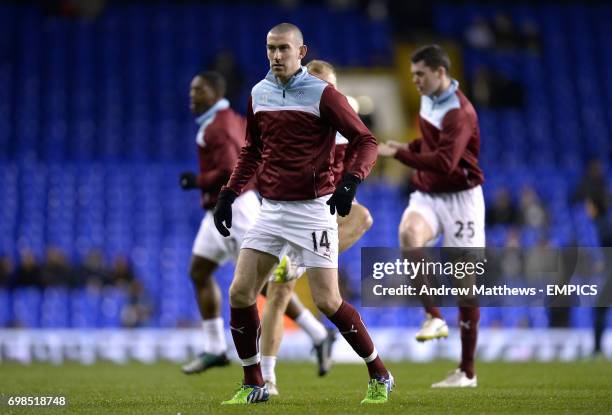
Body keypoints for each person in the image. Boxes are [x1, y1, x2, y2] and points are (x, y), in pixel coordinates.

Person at [213, 23, 393, 404]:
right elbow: (252, 151)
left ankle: (379, 373)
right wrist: (228, 193)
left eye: (283, 49)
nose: (276, 55)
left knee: (328, 302)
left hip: (313, 211)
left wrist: (350, 182)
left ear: (301, 51)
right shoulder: (258, 93)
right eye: (270, 48)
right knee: (241, 291)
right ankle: (254, 383)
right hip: (271, 209)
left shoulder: (323, 94)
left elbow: (366, 140)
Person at [179, 70, 335, 375]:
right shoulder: (226, 120)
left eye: (198, 90)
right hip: (219, 211)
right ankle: (215, 348)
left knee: (258, 285)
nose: (192, 96)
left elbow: (230, 168)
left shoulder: (220, 126)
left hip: (237, 209)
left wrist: (197, 181)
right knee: (199, 271)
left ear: (214, 92)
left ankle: (317, 333)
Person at [259, 59, 374, 396]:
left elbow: (364, 148)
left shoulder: (343, 114)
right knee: (277, 293)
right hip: (292, 207)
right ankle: (267, 378)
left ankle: (304, 263)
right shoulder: (292, 119)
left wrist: (350, 183)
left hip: (324, 208)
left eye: (328, 86)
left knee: (363, 217)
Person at [378, 44, 485, 388]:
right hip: (428, 194)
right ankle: (433, 315)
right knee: (409, 233)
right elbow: (428, 145)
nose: (415, 81)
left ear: (441, 73)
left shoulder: (460, 112)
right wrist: (405, 148)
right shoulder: (429, 99)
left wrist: (401, 157)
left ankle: (466, 371)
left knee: (465, 287)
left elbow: (445, 162)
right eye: (412, 75)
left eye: (420, 75)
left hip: (462, 200)